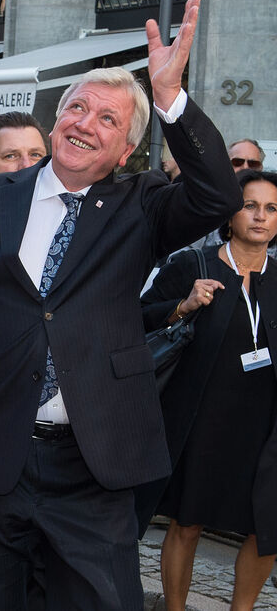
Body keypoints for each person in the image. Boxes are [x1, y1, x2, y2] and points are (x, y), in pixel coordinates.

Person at [0, 0, 243, 610]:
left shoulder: (143, 206)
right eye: (76, 107)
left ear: (127, 150)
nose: (85, 123)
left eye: (108, 119)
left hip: (93, 463)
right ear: (55, 122)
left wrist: (170, 99)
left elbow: (218, 194)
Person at [140, 169, 277, 611]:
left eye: (271, 208)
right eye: (250, 205)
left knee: (267, 526)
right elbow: (136, 317)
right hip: (201, 418)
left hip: (266, 427)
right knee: (187, 522)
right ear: (229, 212)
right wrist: (183, 305)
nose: (260, 216)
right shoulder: (192, 265)